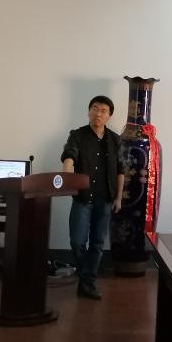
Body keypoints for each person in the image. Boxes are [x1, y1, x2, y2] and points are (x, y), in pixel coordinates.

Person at [60, 96, 124, 300]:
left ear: (109, 116)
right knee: (77, 241)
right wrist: (67, 177)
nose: (98, 113)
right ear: (88, 112)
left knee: (97, 243)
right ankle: (87, 276)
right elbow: (69, 156)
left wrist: (118, 198)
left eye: (103, 110)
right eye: (95, 109)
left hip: (105, 198)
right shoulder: (77, 135)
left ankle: (87, 283)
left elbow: (120, 170)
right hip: (82, 197)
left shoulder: (115, 140)